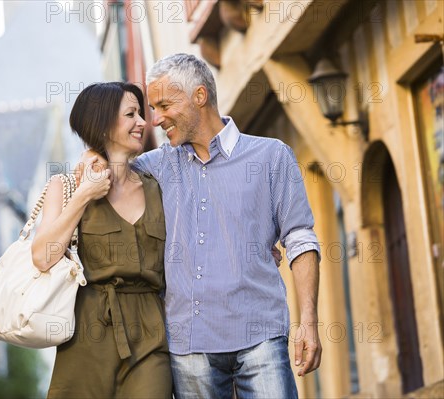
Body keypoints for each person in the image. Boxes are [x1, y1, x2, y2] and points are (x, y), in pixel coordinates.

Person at [84, 54, 322, 399]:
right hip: (189, 345)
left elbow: (300, 239)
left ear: (199, 96)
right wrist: (91, 156)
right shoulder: (154, 167)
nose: (156, 119)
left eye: (164, 105)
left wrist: (309, 322)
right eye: (152, 108)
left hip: (261, 335)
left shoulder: (271, 157)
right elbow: (109, 165)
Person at [31, 82, 172, 398]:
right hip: (87, 333)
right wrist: (84, 196)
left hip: (150, 333)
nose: (143, 122)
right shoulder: (65, 187)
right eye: (131, 114)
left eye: (141, 113)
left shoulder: (158, 187)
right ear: (104, 125)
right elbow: (43, 256)